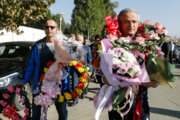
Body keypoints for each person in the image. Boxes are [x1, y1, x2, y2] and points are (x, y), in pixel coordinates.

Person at [102, 8, 158, 120]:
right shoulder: (110, 44)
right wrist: (104, 79)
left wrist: (154, 82)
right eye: (127, 21)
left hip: (140, 103)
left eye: (134, 22)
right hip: (118, 103)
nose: (131, 25)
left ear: (138, 24)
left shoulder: (148, 45)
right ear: (120, 23)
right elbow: (100, 73)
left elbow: (157, 75)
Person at [17, 19, 68, 120]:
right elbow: (31, 66)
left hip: (59, 85)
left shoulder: (63, 46)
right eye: (46, 27)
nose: (49, 29)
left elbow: (72, 65)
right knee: (36, 114)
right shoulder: (38, 45)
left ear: (56, 30)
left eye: (52, 27)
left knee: (62, 113)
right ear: (44, 29)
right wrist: (24, 80)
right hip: (40, 85)